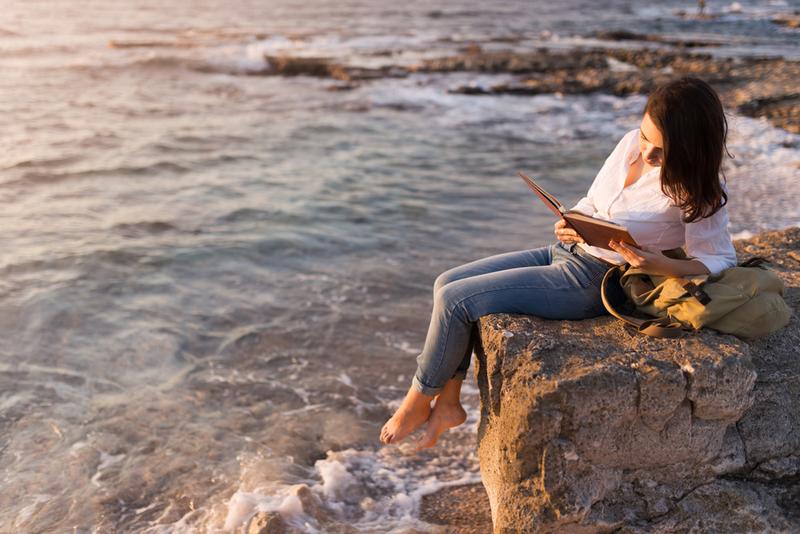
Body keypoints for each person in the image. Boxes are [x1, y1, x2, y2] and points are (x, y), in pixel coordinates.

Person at [379, 76, 737, 451]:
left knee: (457, 301)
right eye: (647, 137)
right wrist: (573, 222)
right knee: (445, 282)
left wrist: (658, 262)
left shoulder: (702, 193)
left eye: (663, 151)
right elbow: (592, 201)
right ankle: (449, 404)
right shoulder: (631, 143)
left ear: (692, 148)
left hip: (595, 280)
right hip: (567, 251)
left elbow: (717, 259)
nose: (647, 153)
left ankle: (417, 401)